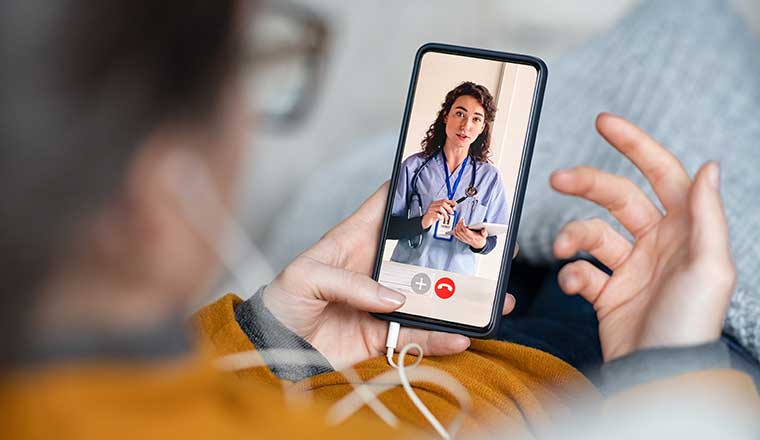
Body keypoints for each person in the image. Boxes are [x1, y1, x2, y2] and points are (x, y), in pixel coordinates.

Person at [1, 1, 757, 439]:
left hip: (406, 326)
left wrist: (265, 339)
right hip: (595, 381)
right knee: (689, 37)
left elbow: (493, 223)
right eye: (253, 71)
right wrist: (672, 372)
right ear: (156, 190)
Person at [387, 82, 509, 275]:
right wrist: (423, 221)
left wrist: (479, 243)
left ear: (482, 127)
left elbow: (491, 242)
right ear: (446, 116)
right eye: (460, 114)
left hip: (455, 280)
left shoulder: (490, 178)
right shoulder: (413, 166)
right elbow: (387, 228)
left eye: (476, 119)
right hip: (407, 271)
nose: (466, 126)